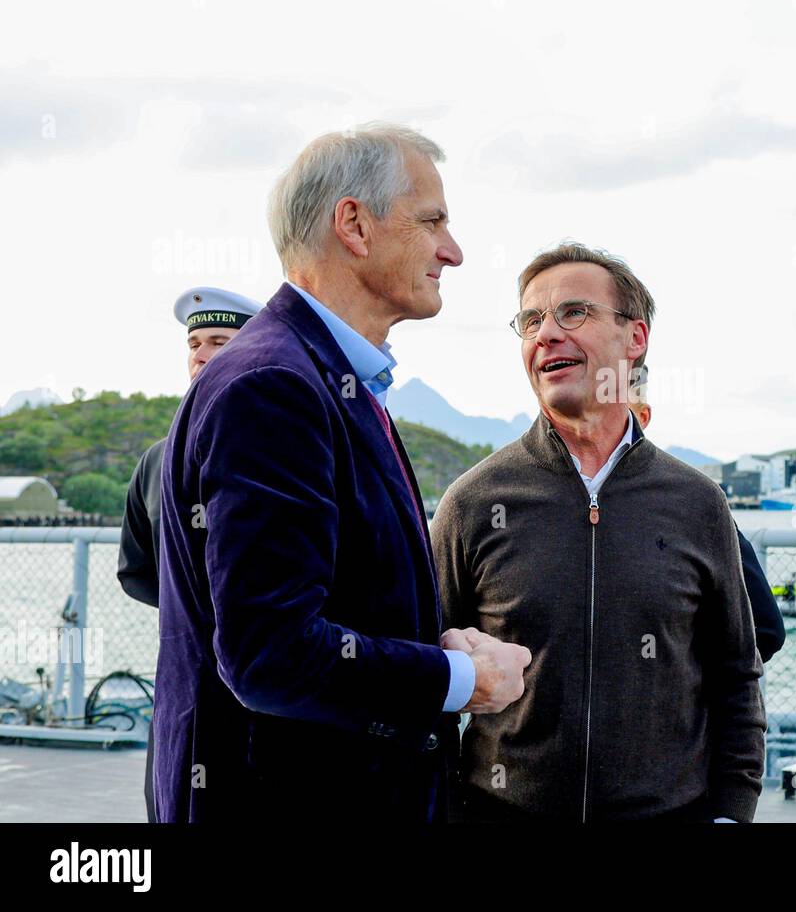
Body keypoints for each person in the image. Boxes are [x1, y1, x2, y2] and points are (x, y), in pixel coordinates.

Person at [152, 123, 530, 823]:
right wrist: (458, 679)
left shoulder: (320, 378)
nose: (452, 250)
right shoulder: (274, 386)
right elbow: (270, 654)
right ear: (354, 224)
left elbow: (338, 604)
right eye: (431, 221)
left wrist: (436, 643)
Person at [431, 242, 765, 822]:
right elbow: (425, 678)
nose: (546, 334)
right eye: (531, 321)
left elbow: (736, 674)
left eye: (573, 313)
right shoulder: (472, 503)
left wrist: (732, 812)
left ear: (635, 338)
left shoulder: (697, 502)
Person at [116, 285, 262, 822]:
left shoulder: (285, 447)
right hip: (184, 684)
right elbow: (135, 569)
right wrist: (196, 613)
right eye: (194, 344)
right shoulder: (157, 461)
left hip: (266, 688)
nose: (201, 354)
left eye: (220, 342)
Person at [628, 379, 785, 663]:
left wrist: (676, 677)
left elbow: (764, 631)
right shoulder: (689, 499)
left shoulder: (694, 502)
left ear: (642, 417)